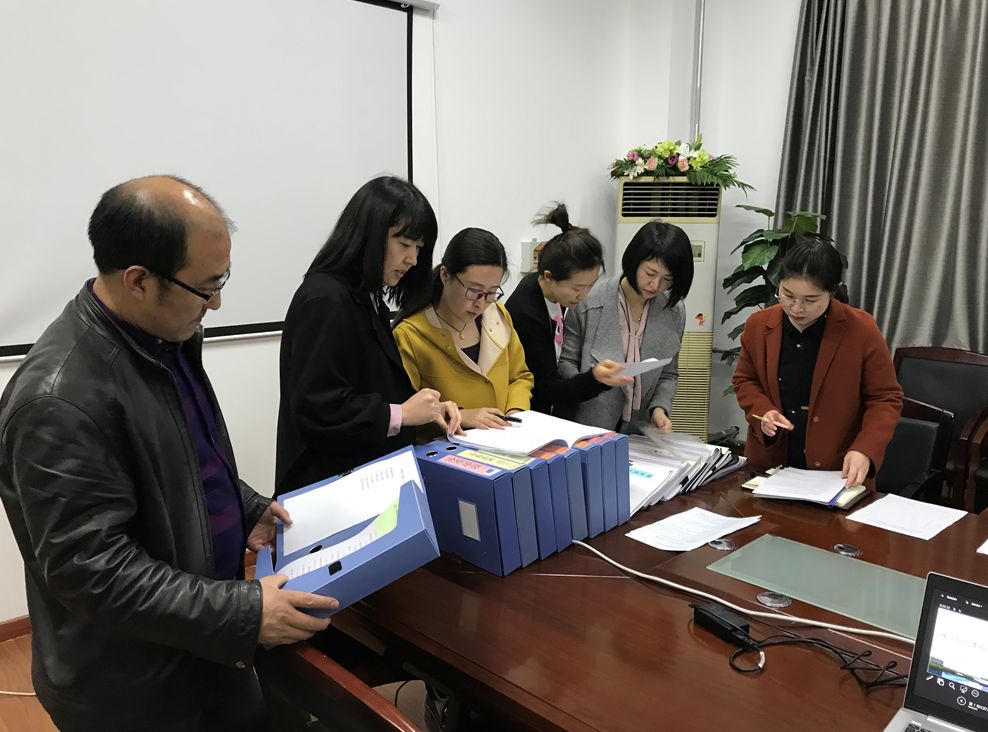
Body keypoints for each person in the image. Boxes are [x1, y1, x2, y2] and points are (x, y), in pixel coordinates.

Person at [0, 175, 338, 732]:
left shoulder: (163, 340)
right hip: (136, 685)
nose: (218, 302)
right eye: (207, 287)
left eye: (223, 279)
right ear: (138, 280)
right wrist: (243, 611)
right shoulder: (58, 400)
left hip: (204, 637)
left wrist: (245, 506)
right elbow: (93, 572)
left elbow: (185, 457)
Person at [275, 176, 460, 496]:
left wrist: (427, 411)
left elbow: (370, 383)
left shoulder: (367, 296)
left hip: (362, 475)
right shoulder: (325, 298)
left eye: (418, 248)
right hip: (329, 485)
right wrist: (403, 414)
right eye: (404, 244)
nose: (413, 260)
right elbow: (319, 406)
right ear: (369, 235)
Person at [732, 238, 903, 487]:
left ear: (831, 293)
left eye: (810, 300)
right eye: (787, 295)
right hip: (770, 465)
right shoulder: (759, 325)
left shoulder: (861, 329)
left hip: (837, 471)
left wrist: (865, 448)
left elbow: (885, 398)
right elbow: (745, 380)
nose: (796, 308)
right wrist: (763, 411)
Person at [559, 221, 693, 433]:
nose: (655, 285)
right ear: (634, 260)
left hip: (640, 431)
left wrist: (659, 409)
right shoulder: (589, 301)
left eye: (667, 279)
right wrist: (591, 380)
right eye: (650, 273)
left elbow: (668, 373)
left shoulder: (674, 311)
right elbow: (566, 362)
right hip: (589, 426)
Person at [393, 227, 533, 429]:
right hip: (448, 444)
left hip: (502, 440)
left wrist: (515, 412)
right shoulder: (411, 335)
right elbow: (405, 412)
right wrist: (460, 416)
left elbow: (520, 377)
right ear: (445, 275)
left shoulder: (498, 316)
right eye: (474, 291)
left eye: (492, 293)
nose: (481, 303)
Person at [504, 202, 629, 417]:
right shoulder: (526, 315)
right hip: (524, 414)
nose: (583, 296)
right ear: (549, 277)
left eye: (590, 285)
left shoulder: (552, 294)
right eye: (577, 288)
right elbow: (547, 390)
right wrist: (595, 379)